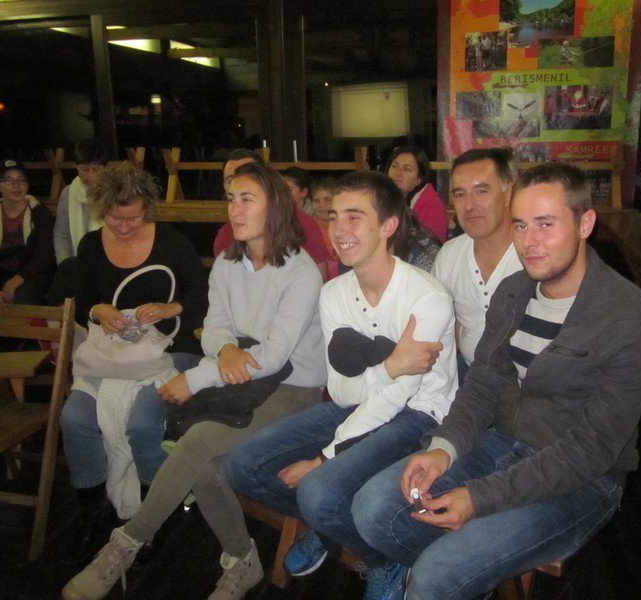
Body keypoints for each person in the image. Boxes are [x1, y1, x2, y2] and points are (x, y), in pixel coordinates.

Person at [352, 162, 641, 599]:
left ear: (585, 224)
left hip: (584, 476)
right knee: (371, 511)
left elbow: (591, 448)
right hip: (501, 442)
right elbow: (483, 382)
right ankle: (463, 575)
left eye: (546, 224)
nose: (529, 241)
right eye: (520, 224)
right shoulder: (514, 291)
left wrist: (478, 498)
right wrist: (444, 448)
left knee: (438, 573)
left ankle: (450, 576)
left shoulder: (632, 319)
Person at [62, 161, 327, 600]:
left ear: (276, 207)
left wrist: (198, 378)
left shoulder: (301, 273)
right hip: (239, 381)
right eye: (231, 199)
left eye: (247, 200)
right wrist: (224, 352)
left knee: (199, 441)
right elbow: (215, 328)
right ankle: (242, 559)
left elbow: (274, 356)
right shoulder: (227, 263)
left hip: (294, 389)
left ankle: (126, 543)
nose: (235, 209)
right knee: (204, 464)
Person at [226, 170, 458, 598]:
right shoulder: (333, 293)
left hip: (420, 415)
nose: (339, 229)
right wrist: (391, 365)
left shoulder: (428, 299)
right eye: (334, 216)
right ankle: (332, 526)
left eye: (355, 216)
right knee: (243, 466)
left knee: (320, 489)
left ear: (388, 226)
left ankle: (383, 558)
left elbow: (396, 398)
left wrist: (325, 457)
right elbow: (342, 391)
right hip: (359, 405)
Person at [60, 164, 208, 562]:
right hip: (112, 354)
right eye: (115, 218)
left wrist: (170, 307)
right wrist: (98, 310)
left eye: (134, 218)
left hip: (168, 350)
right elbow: (81, 303)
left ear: (147, 209)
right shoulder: (91, 246)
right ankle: (93, 511)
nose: (124, 227)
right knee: (74, 419)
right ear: (101, 209)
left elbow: (202, 296)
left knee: (143, 423)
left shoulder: (172, 243)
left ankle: (153, 514)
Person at [431, 148, 523, 382]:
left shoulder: (534, 252)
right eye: (460, 194)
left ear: (508, 193)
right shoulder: (449, 255)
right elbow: (440, 329)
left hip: (530, 385)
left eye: (481, 191)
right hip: (469, 377)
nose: (469, 205)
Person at [213, 149, 329, 281]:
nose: (240, 183)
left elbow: (321, 281)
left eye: (249, 174)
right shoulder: (224, 245)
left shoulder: (304, 226)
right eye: (230, 180)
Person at [0, 158, 55, 306]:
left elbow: (45, 254)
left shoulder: (39, 213)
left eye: (21, 180)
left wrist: (16, 281)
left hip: (28, 273)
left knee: (23, 298)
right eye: (8, 181)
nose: (16, 185)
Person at [48, 140, 108, 304]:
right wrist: (64, 264)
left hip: (106, 264)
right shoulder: (68, 193)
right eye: (84, 169)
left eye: (96, 170)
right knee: (63, 289)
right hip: (76, 263)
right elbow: (61, 234)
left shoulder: (113, 193)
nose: (90, 176)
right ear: (76, 167)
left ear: (105, 168)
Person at [386, 146, 449, 244]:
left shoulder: (433, 206)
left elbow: (433, 248)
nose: (398, 173)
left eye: (407, 169)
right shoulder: (385, 198)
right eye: (394, 166)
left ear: (419, 179)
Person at [310, 177, 339, 280]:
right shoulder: (308, 228)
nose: (321, 205)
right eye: (316, 201)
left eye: (327, 200)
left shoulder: (346, 227)